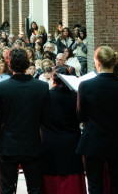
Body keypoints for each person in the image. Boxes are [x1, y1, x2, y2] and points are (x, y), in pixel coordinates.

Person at [77, 46, 118, 194]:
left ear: (97, 62)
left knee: (95, 185)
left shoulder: (86, 85)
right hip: (116, 140)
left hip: (93, 141)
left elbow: (80, 116)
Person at [0, 48, 50, 194]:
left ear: (9, 64)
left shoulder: (1, 87)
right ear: (27, 63)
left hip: (9, 143)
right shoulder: (41, 87)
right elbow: (46, 118)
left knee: (7, 188)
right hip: (32, 143)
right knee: (34, 188)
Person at [41, 66, 86, 194]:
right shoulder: (76, 96)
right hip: (71, 144)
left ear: (52, 79)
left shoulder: (45, 96)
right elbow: (81, 118)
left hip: (49, 145)